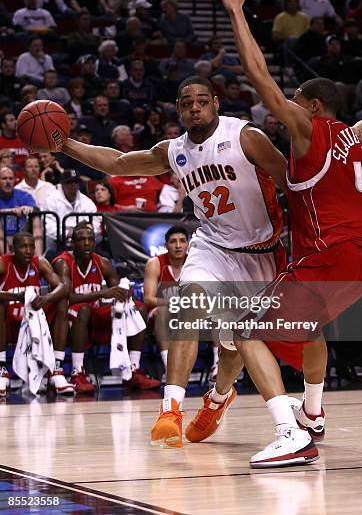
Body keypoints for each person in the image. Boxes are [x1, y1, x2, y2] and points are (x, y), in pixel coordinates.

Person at [215, 0, 362, 467]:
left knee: (245, 332)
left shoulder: (310, 132)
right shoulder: (354, 139)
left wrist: (236, 14)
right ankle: (312, 413)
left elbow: (260, 77)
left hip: (328, 257)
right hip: (361, 263)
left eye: (295, 103)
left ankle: (290, 435)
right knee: (310, 330)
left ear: (313, 108)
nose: (285, 107)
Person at [59, 74, 288, 451]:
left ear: (216, 103)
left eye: (201, 100)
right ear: (178, 109)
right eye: (186, 103)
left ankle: (218, 398)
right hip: (212, 246)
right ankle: (171, 409)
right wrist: (65, 144)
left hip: (261, 252)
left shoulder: (245, 137)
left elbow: (288, 180)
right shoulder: (173, 150)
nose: (194, 107)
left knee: (234, 347)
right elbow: (117, 162)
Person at [52, 222, 160, 392]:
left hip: (95, 315)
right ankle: (77, 371)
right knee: (83, 309)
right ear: (72, 243)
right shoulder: (63, 263)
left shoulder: (103, 262)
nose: (87, 243)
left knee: (138, 308)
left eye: (90, 239)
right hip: (68, 318)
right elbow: (65, 297)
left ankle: (133, 368)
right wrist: (102, 294)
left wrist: (125, 291)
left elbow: (116, 289)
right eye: (81, 239)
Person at [0, 232, 73, 396]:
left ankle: (57, 370)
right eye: (23, 247)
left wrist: (46, 298)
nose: (28, 250)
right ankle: (2, 369)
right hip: (10, 323)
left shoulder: (39, 262)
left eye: (31, 246)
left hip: (35, 325)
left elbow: (63, 286)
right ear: (12, 249)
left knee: (61, 301)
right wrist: (15, 297)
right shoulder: (3, 263)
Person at [143, 226, 189, 376]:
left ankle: (216, 365)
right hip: (161, 315)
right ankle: (169, 367)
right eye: (173, 242)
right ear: (165, 246)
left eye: (182, 241)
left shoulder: (194, 263)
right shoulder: (155, 263)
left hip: (188, 314)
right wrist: (175, 303)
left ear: (188, 244)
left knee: (216, 312)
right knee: (162, 312)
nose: (178, 245)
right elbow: (148, 299)